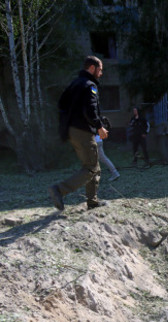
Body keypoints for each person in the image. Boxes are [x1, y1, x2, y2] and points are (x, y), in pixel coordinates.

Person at [49, 55, 108, 211]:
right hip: (83, 131)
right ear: (92, 68)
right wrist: (99, 126)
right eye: (100, 69)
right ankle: (59, 190)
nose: (101, 73)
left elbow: (61, 104)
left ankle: (92, 201)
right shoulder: (90, 85)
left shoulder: (75, 84)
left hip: (71, 130)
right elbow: (90, 109)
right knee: (90, 168)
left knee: (94, 166)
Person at [96, 116, 120, 182]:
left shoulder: (93, 120)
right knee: (101, 158)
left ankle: (115, 173)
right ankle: (114, 173)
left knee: (99, 159)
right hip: (98, 140)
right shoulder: (97, 120)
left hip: (95, 141)